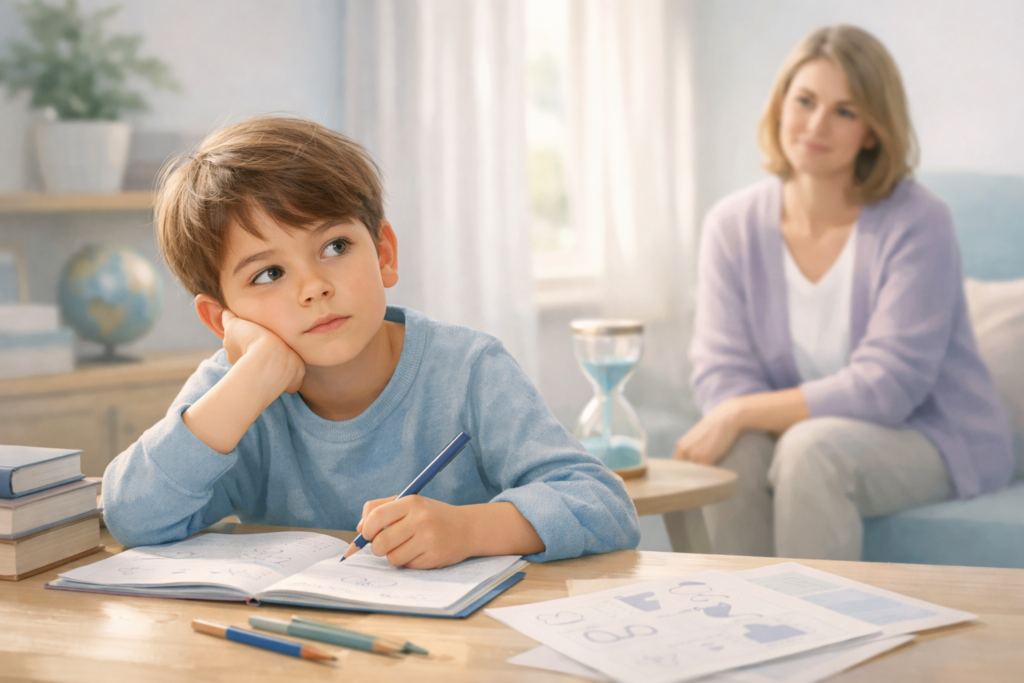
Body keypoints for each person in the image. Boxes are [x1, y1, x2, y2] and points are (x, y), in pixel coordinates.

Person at [101, 116, 640, 568]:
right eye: (268, 274)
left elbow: (603, 504)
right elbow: (132, 516)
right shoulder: (233, 392)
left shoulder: (469, 368)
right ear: (222, 320)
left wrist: (470, 529)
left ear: (384, 254)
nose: (314, 287)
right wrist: (253, 378)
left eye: (335, 246)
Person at [674, 25, 1014, 560]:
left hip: (932, 435)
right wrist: (739, 418)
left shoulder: (919, 221)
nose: (816, 125)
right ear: (780, 105)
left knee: (810, 451)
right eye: (805, 101)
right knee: (730, 456)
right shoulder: (731, 226)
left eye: (845, 111)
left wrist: (741, 412)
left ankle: (817, 616)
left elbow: (889, 385)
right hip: (802, 435)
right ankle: (737, 610)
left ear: (873, 131)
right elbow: (722, 370)